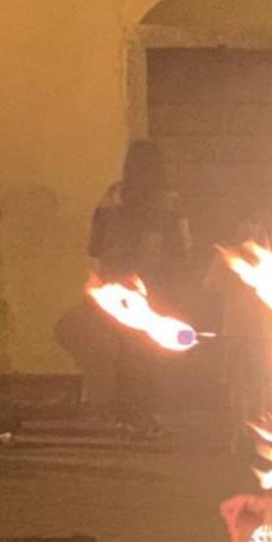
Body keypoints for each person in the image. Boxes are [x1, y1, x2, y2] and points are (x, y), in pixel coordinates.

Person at [85, 138, 193, 443]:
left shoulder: (111, 197)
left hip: (116, 285)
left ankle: (126, 416)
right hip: (156, 284)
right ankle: (144, 415)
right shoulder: (170, 202)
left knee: (123, 352)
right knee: (148, 353)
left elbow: (94, 243)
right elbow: (183, 247)